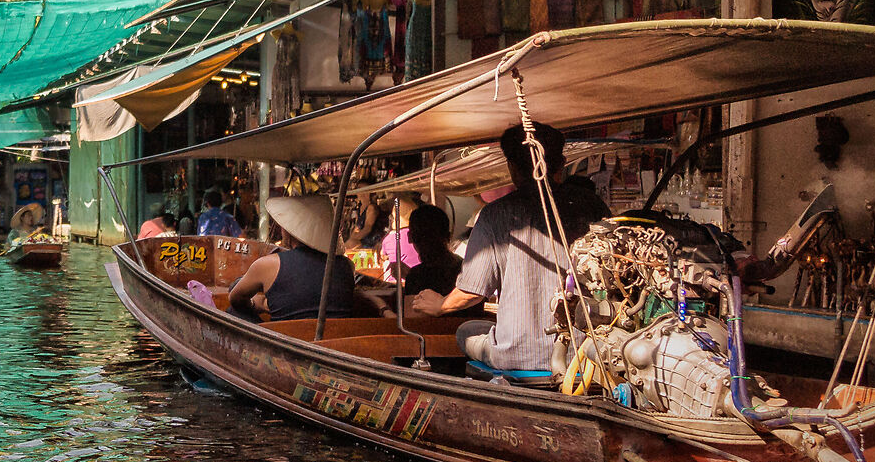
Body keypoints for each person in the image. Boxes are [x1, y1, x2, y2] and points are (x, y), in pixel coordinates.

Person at [414, 123, 602, 373]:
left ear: (512, 168)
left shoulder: (494, 215)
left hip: (518, 356)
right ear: (562, 163)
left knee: (466, 331)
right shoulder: (592, 206)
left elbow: (472, 292)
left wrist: (441, 305)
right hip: (585, 352)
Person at [226, 194, 376, 322]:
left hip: (286, 341)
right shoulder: (346, 265)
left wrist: (255, 305)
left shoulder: (269, 265)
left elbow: (235, 298)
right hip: (337, 341)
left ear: (288, 231)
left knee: (234, 311)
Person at [395, 203, 462, 299]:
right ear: (448, 236)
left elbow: (412, 311)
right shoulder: (465, 268)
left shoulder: (416, 277)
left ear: (410, 237)